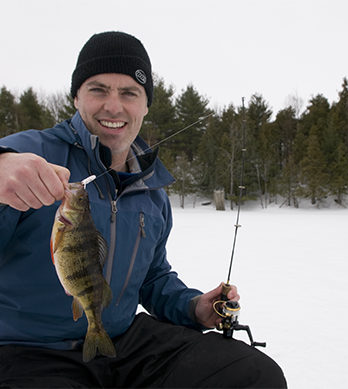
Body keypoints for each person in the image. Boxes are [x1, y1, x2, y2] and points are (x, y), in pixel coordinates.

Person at [0, 31, 286, 388]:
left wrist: (193, 307)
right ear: (76, 97)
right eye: (98, 89)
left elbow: (152, 277)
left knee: (252, 375)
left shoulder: (151, 192)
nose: (114, 106)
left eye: (129, 93)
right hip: (27, 351)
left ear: (146, 104)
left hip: (125, 343)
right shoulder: (24, 152)